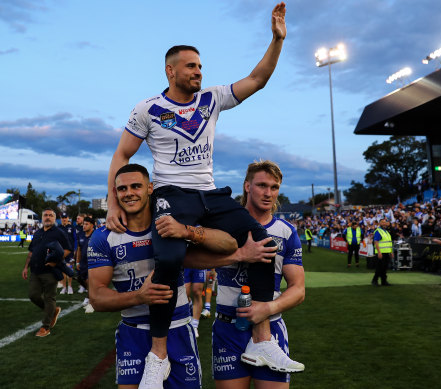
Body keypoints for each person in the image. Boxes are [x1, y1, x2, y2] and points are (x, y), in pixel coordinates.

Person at [104, 3, 292, 385]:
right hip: (172, 193)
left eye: (201, 67)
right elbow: (123, 154)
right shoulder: (149, 109)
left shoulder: (212, 98)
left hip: (209, 192)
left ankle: (261, 338)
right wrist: (111, 200)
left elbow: (257, 79)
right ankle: (159, 355)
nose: (198, 72)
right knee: (170, 256)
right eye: (191, 66)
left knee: (263, 240)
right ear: (170, 70)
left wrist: (276, 40)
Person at [89, 164, 276, 389]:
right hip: (134, 332)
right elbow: (97, 298)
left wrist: (230, 250)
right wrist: (139, 297)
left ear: (150, 188)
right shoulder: (103, 237)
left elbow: (225, 243)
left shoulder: (171, 222)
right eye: (122, 189)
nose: (129, 193)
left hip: (178, 329)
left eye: (136, 186)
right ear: (115, 193)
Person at [211, 160, 305, 388]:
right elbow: (191, 260)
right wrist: (239, 255)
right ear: (247, 186)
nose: (268, 193)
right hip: (228, 328)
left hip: (270, 327)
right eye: (262, 185)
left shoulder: (286, 231)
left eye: (274, 188)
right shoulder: (223, 225)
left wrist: (267, 308)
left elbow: (298, 289)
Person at [21, 209, 72, 337]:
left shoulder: (59, 233)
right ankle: (52, 311)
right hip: (35, 270)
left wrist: (56, 262)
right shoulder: (37, 233)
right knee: (33, 295)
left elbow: (67, 249)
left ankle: (46, 326)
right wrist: (26, 267)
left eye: (50, 215)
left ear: (55, 219)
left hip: (50, 271)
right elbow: (31, 252)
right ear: (42, 218)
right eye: (45, 215)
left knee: (50, 297)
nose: (47, 217)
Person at [76, 216, 94, 310]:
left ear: (92, 225)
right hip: (82, 262)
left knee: (89, 281)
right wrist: (77, 262)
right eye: (83, 224)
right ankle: (91, 292)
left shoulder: (95, 235)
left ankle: (89, 298)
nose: (84, 226)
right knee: (79, 278)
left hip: (92, 262)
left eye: (86, 224)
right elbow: (79, 249)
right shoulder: (81, 235)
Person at [183, 267, 207, 338]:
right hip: (185, 261)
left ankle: (194, 325)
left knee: (197, 291)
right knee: (185, 294)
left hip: (198, 260)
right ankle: (190, 307)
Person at [59, 212, 77, 295]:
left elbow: (75, 239)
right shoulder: (58, 228)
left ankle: (70, 286)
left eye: (65, 217)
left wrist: (75, 249)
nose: (64, 219)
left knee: (70, 269)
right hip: (61, 252)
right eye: (63, 218)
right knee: (62, 269)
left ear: (68, 218)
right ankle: (64, 287)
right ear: (61, 219)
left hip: (70, 252)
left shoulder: (72, 227)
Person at [372, 219, 392, 287]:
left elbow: (389, 243)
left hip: (387, 252)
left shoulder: (386, 232)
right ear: (380, 223)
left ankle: (384, 281)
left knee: (384, 268)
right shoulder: (378, 231)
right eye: (382, 222)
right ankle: (375, 280)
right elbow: (376, 242)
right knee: (379, 268)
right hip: (381, 253)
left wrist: (391, 252)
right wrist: (379, 252)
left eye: (385, 222)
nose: (384, 223)